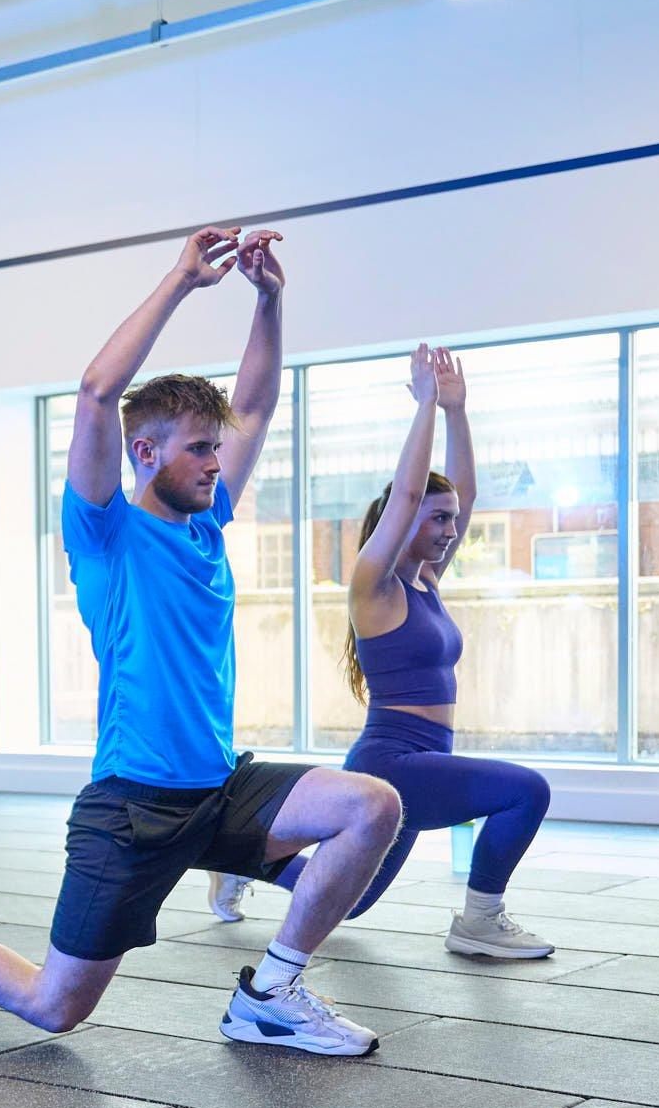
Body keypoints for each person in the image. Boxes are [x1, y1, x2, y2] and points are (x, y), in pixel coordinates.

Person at [0, 226, 405, 1055]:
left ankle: (270, 990)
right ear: (143, 453)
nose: (216, 464)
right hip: (132, 808)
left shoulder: (207, 521)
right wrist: (182, 279)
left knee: (371, 805)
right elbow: (93, 392)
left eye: (216, 450)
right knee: (54, 1006)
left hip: (218, 790)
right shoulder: (104, 533)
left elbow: (254, 405)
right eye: (198, 450)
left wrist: (271, 299)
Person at [209, 348, 552, 957]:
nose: (452, 530)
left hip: (427, 758)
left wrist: (458, 411)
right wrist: (423, 405)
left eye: (451, 521)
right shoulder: (376, 584)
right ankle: (479, 922)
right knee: (526, 790)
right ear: (403, 520)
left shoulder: (426, 581)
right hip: (392, 763)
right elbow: (409, 493)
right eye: (437, 519)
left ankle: (240, 860)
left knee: (354, 899)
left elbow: (462, 494)